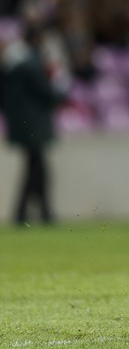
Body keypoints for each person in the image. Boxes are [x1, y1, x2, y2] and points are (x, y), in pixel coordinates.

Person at [1, 28, 66, 226]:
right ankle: (30, 213)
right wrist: (62, 93)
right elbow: (47, 92)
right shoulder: (31, 64)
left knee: (36, 167)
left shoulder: (11, 65)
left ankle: (35, 212)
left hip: (20, 123)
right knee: (37, 169)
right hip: (33, 124)